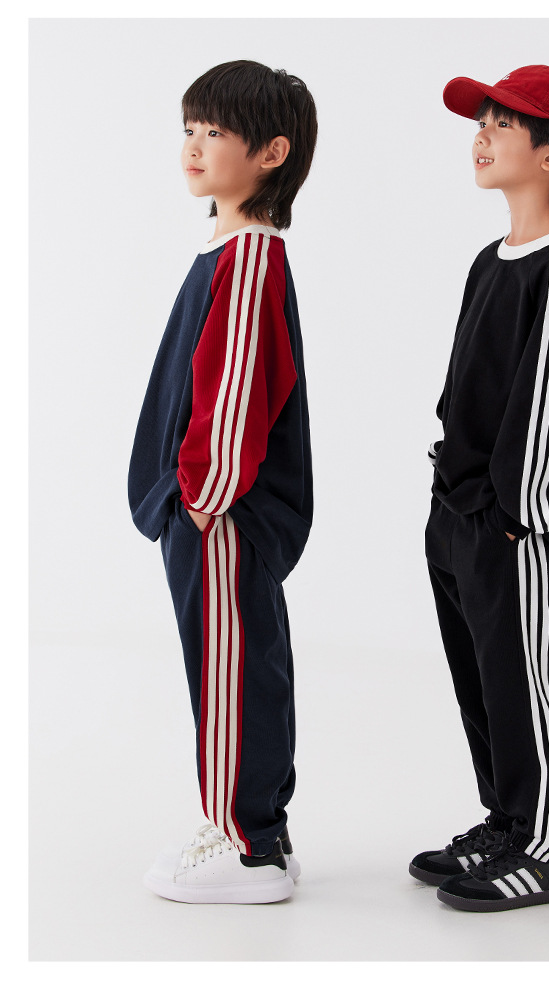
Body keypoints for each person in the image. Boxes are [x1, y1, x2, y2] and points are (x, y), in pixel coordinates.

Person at [409, 65, 549, 912]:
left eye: (502, 124)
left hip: (518, 523)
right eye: (480, 122)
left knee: (531, 679)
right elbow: (469, 384)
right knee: (487, 678)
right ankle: (505, 820)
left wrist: (519, 513)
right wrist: (449, 500)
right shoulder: (490, 261)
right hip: (461, 511)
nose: (481, 136)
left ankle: (543, 846)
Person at [127, 59, 317, 904]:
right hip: (213, 511)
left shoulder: (247, 258)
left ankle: (249, 848)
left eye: (215, 132)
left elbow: (234, 392)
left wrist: (200, 502)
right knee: (233, 664)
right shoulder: (230, 253)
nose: (194, 147)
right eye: (190, 129)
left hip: (221, 514)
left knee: (233, 669)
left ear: (271, 153)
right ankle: (252, 830)